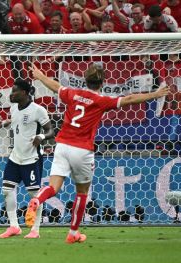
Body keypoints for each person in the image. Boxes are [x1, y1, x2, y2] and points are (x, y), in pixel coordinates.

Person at [25, 63, 169, 243]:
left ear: (85, 79)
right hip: (82, 149)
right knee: (82, 192)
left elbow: (55, 86)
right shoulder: (101, 100)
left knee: (53, 187)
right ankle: (73, 233)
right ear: (102, 82)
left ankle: (38, 199)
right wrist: (155, 94)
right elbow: (130, 99)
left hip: (62, 146)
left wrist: (40, 75)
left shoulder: (72, 94)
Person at [0, 79, 54, 239]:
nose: (11, 94)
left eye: (14, 91)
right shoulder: (14, 108)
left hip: (31, 158)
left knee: (34, 196)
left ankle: (35, 230)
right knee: (7, 190)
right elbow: (15, 122)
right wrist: (3, 123)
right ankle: (14, 226)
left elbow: (50, 130)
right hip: (15, 157)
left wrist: (41, 136)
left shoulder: (38, 110)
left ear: (25, 93)